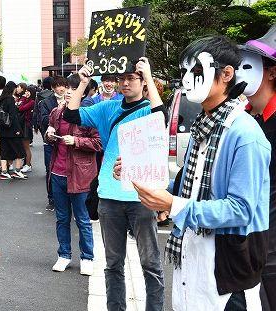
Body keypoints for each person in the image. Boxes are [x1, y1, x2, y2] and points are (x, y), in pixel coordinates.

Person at [115, 36, 271, 311]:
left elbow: (241, 210)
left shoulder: (245, 135)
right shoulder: (203, 126)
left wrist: (172, 204)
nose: (187, 79)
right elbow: (190, 184)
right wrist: (141, 176)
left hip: (227, 277)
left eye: (196, 71)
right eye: (184, 71)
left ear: (226, 74)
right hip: (191, 262)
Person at [63, 58, 165, 311]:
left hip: (142, 196)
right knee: (113, 264)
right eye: (122, 79)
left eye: (132, 78)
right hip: (109, 194)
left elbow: (160, 118)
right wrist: (83, 83)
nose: (126, 83)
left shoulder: (149, 108)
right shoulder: (107, 108)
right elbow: (71, 114)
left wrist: (150, 77)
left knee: (150, 264)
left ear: (142, 82)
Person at [236, 26, 276, 311]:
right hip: (255, 244)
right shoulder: (249, 120)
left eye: (249, 65)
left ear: (272, 72)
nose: (240, 72)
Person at [46, 74, 102, 276]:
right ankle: (64, 255)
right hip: (57, 173)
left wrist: (76, 141)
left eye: (74, 88)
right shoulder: (56, 113)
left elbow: (98, 143)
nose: (68, 91)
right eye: (67, 87)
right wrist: (49, 136)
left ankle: (87, 257)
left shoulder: (88, 115)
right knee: (61, 218)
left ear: (82, 93)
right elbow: (49, 136)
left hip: (80, 174)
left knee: (82, 219)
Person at [40, 76, 69, 211]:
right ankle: (51, 198)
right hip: (51, 141)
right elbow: (44, 119)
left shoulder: (72, 100)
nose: (61, 88)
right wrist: (57, 112)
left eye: (63, 85)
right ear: (53, 88)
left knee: (67, 168)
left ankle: (68, 196)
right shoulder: (46, 102)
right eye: (57, 85)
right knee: (50, 169)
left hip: (67, 141)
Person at [0, 81, 27, 180]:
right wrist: (18, 130)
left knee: (4, 151)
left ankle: (4, 172)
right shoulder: (10, 99)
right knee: (20, 151)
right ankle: (17, 171)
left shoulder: (2, 99)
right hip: (12, 130)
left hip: (3, 129)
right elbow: (13, 116)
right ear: (12, 89)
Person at [17, 86, 36, 173]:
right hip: (23, 125)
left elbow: (20, 108)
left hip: (26, 126)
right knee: (23, 146)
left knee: (26, 147)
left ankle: (28, 165)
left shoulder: (32, 102)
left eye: (29, 91)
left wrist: (23, 98)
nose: (27, 93)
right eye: (26, 91)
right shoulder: (27, 100)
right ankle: (26, 164)